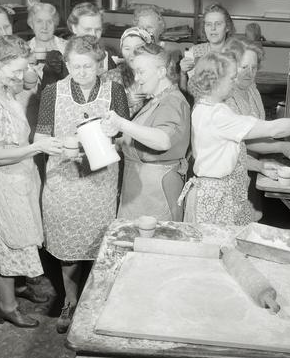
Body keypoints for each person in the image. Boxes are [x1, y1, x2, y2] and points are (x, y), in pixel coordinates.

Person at [0, 35, 65, 328]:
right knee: (7, 242)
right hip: (4, 177)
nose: (22, 76)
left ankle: (17, 288)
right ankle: (6, 306)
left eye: (24, 68)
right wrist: (38, 148)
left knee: (20, 237)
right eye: (17, 69)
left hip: (20, 175)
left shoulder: (2, 85)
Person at [34, 35, 130, 334]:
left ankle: (98, 303)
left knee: (101, 246)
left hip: (100, 182)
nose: (81, 72)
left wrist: (101, 141)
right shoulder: (53, 92)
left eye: (87, 66)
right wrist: (61, 146)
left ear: (99, 64)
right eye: (74, 66)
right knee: (69, 249)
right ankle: (70, 301)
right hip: (64, 181)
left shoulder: (114, 91)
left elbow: (123, 136)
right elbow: (39, 139)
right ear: (67, 64)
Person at [179, 52, 290, 225]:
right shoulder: (218, 116)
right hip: (217, 197)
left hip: (216, 192)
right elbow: (274, 129)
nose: (235, 82)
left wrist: (260, 165)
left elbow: (225, 152)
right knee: (220, 248)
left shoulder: (203, 106)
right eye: (231, 78)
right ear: (215, 81)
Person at [103, 43, 190, 221]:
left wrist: (121, 124)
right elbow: (139, 138)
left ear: (161, 72)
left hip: (157, 193)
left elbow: (163, 140)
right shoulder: (157, 100)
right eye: (135, 72)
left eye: (141, 72)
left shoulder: (172, 101)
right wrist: (117, 137)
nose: (137, 78)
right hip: (142, 192)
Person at [222, 36, 290, 220]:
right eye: (244, 67)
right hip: (230, 175)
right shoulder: (225, 97)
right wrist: (280, 147)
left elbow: (258, 130)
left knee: (251, 220)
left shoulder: (251, 89)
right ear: (230, 65)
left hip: (250, 171)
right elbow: (243, 142)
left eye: (254, 67)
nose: (249, 73)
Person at [179, 3, 235, 91]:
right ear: (204, 28)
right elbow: (185, 94)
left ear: (227, 27)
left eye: (218, 24)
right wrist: (183, 73)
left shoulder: (236, 53)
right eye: (208, 24)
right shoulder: (194, 51)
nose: (213, 28)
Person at [102, 27, 153, 116]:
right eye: (127, 48)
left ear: (148, 49)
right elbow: (96, 110)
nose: (132, 53)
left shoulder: (157, 76)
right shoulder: (110, 78)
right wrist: (124, 102)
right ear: (121, 50)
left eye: (138, 47)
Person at [67, 2, 119, 75]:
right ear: (74, 28)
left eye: (98, 30)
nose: (93, 35)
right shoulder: (62, 57)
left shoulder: (106, 57)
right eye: (87, 30)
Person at [26, 2, 69, 90]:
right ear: (31, 24)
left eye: (49, 22)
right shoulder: (23, 50)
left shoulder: (69, 47)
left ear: (55, 24)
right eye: (39, 21)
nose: (44, 27)